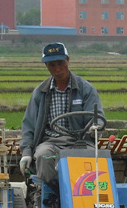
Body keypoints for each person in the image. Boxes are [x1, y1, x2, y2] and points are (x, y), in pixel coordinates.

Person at [18, 42, 106, 187]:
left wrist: (96, 126)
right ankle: (53, 196)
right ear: (46, 66)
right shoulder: (40, 92)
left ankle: (87, 197)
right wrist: (26, 152)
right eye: (52, 65)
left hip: (80, 142)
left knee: (94, 159)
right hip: (50, 143)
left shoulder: (85, 89)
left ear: (68, 60)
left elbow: (96, 117)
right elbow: (29, 126)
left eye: (61, 63)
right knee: (43, 157)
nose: (58, 69)